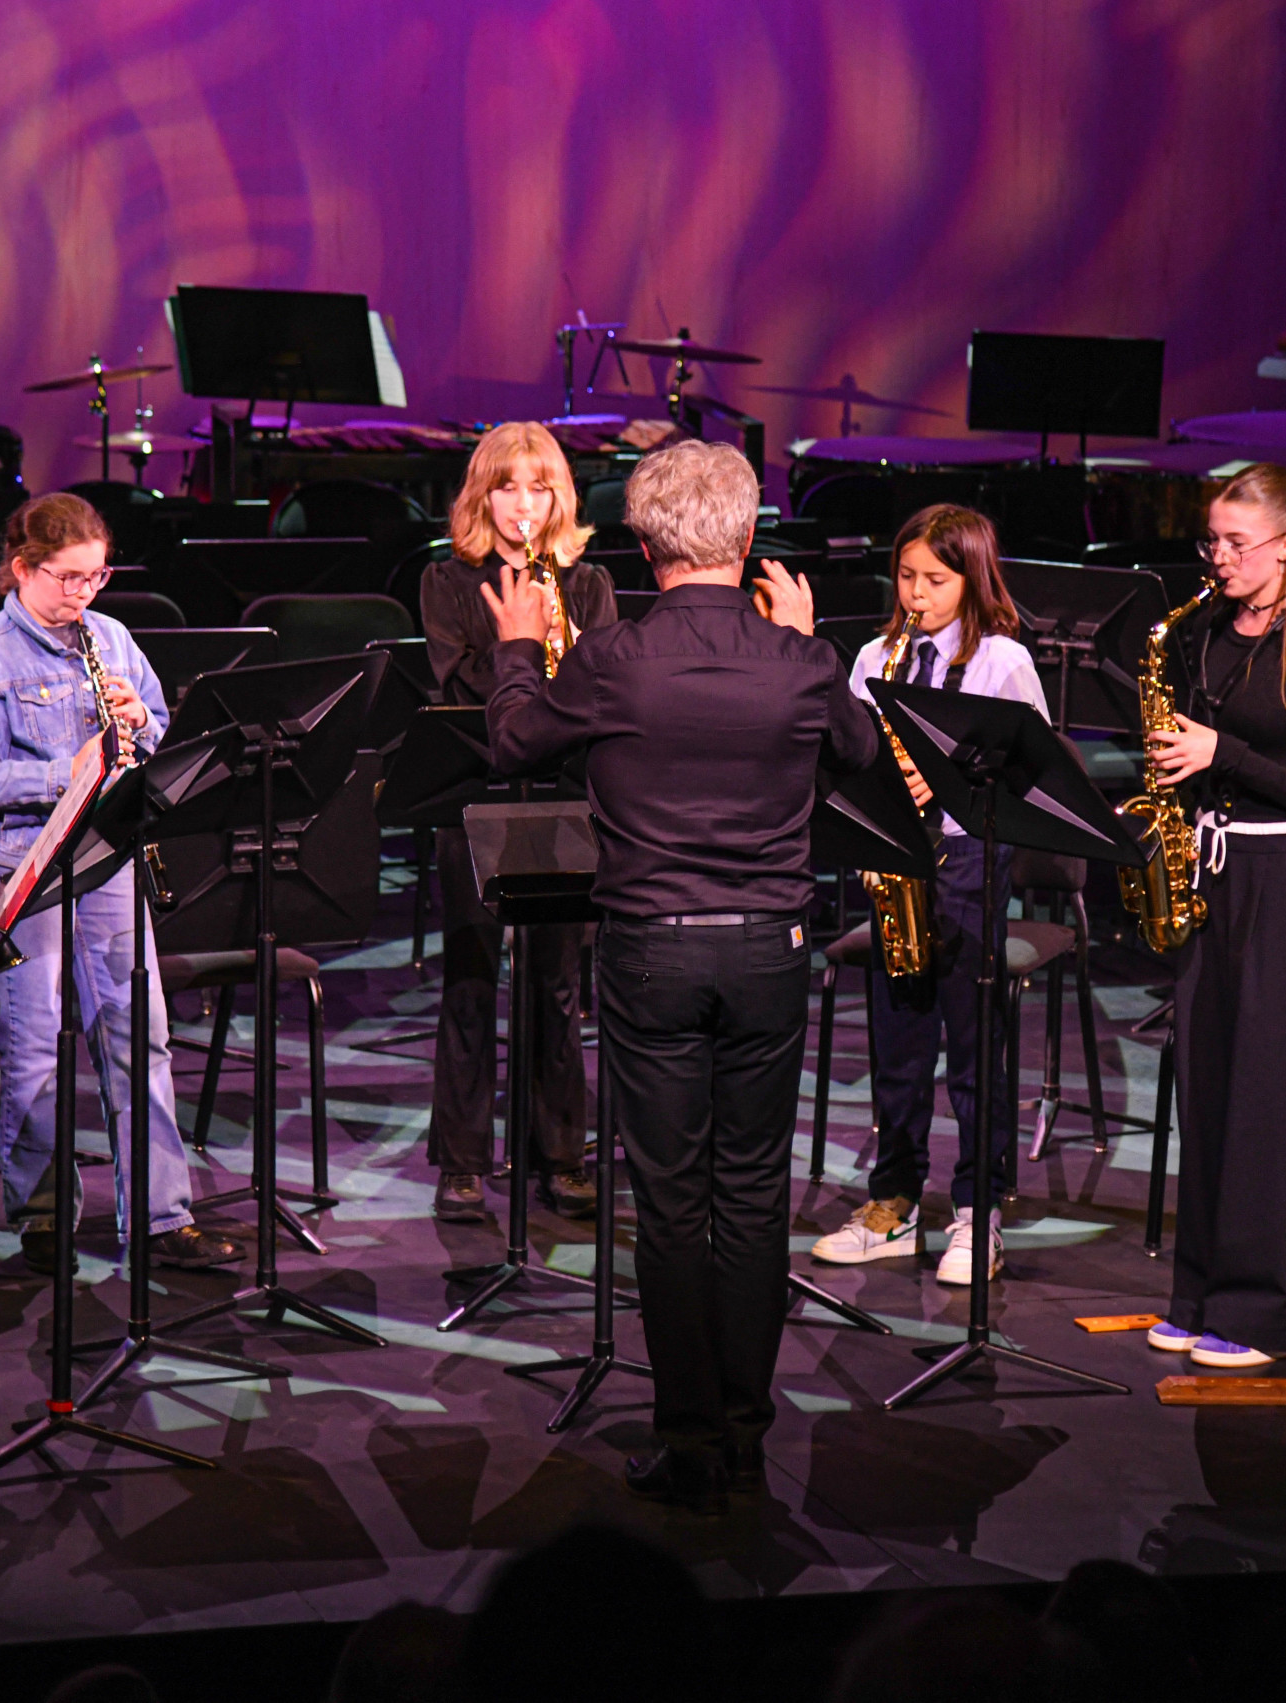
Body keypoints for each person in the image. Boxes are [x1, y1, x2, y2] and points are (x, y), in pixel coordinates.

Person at [482, 438, 875, 1513]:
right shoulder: (798, 660)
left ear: (644, 544)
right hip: (769, 952)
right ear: (746, 538)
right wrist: (809, 642)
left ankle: (693, 1439)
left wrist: (515, 648)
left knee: (668, 1202)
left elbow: (513, 744)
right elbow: (861, 754)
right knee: (751, 1195)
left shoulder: (609, 658)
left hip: (651, 948)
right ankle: (743, 1435)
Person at [0, 493, 239, 1276]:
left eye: (97, 576)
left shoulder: (111, 638)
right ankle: (43, 1215)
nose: (84, 593)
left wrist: (142, 722)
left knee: (139, 1031)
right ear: (22, 570)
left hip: (108, 859)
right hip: (26, 868)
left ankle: (161, 1217)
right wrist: (64, 773)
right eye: (68, 578)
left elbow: (165, 736)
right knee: (36, 1043)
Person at [1139, 463, 1286, 1369]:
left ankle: (1267, 1316)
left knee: (1270, 1098)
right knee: (1208, 1088)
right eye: (1213, 541)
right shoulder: (1202, 634)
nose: (1219, 558)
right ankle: (1197, 1293)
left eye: (1236, 543)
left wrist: (1222, 752)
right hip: (1212, 871)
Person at [808, 504, 1048, 1285]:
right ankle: (896, 1199)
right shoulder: (876, 655)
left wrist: (945, 778)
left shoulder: (1003, 661)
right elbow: (847, 759)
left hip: (968, 859)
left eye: (936, 580)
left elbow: (1032, 773)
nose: (916, 594)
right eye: (907, 577)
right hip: (894, 864)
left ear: (973, 580)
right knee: (900, 1047)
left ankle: (979, 1211)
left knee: (975, 1050)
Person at [416, 422, 617, 1223]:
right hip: (478, 795)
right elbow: (457, 681)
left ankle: (561, 1152)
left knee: (557, 981)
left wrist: (556, 646)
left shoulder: (589, 584)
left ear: (560, 497)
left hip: (564, 796)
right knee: (470, 978)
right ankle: (463, 1161)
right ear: (482, 496)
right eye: (506, 487)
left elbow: (601, 688)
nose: (522, 504)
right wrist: (523, 647)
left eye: (538, 487)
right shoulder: (447, 581)